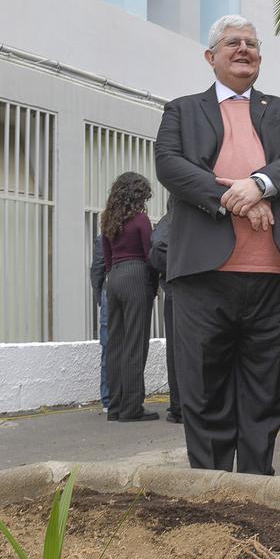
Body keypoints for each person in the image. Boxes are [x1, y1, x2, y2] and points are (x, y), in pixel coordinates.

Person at [155, 14, 280, 475]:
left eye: (251, 43)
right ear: (211, 57)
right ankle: (209, 489)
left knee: (265, 389)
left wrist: (260, 185)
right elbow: (169, 164)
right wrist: (237, 200)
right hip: (203, 274)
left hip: (273, 271)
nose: (243, 49)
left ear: (260, 57)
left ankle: (256, 488)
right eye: (232, 43)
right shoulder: (182, 110)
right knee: (204, 388)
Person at [100, 172, 159, 422]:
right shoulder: (141, 220)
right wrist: (153, 286)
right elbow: (151, 256)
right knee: (136, 343)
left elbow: (106, 258)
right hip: (136, 275)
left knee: (115, 343)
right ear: (138, 195)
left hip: (113, 279)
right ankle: (132, 407)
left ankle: (114, 407)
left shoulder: (107, 220)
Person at [147, 211, 183, 424]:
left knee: (178, 349)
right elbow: (159, 245)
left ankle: (181, 406)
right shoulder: (175, 218)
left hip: (177, 288)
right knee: (181, 350)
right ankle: (181, 407)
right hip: (181, 290)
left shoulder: (171, 220)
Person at [90, 230, 111, 412]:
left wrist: (99, 296)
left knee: (108, 346)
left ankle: (108, 398)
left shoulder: (104, 236)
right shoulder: (137, 228)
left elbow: (97, 270)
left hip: (109, 290)